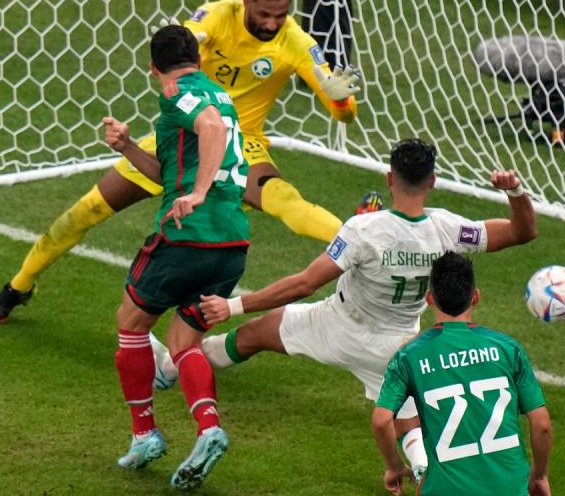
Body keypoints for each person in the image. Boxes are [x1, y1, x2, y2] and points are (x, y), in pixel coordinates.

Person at [0, 0, 365, 325]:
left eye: (280, 15)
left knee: (284, 201)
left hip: (238, 140)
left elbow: (343, 113)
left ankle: (359, 236)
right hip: (176, 136)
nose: (272, 23)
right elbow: (188, 36)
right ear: (247, 1)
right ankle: (18, 286)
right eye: (264, 14)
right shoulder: (219, 14)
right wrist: (186, 38)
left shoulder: (297, 43)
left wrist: (343, 102)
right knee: (87, 209)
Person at [157, 138, 537, 476]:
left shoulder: (363, 230)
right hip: (397, 347)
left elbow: (305, 282)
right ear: (433, 181)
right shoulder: (451, 230)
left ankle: (170, 366)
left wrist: (234, 304)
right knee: (409, 427)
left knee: (252, 335)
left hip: (335, 324)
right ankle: (423, 473)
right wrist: (516, 191)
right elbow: (522, 232)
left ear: (390, 179)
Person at [105, 24, 249, 490]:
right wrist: (128, 147)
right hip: (232, 243)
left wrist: (199, 192)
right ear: (200, 60)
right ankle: (209, 429)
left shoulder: (177, 93)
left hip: (189, 235)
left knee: (130, 322)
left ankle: (144, 433)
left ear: (152, 67)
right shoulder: (219, 94)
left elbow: (207, 128)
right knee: (183, 341)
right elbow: (171, 171)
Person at [372, 252, 553, 496]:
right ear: (476, 297)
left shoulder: (409, 356)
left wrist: (394, 466)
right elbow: (542, 425)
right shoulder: (508, 348)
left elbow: (381, 421)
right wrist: (539, 475)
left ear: (429, 298)